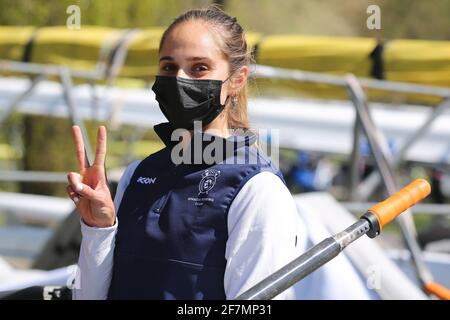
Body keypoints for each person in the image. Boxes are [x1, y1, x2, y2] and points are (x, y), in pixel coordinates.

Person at [67, 6, 304, 300]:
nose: (179, 79)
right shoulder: (138, 173)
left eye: (199, 68)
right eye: (168, 67)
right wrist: (98, 229)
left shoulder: (258, 189)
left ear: (237, 79)